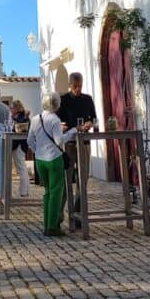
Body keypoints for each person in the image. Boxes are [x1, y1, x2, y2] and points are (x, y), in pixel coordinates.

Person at [27, 92, 78, 236]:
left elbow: (29, 141)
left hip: (40, 160)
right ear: (56, 104)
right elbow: (59, 141)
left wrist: (38, 151)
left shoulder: (35, 119)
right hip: (54, 159)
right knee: (56, 193)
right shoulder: (55, 119)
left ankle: (47, 224)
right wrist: (73, 131)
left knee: (48, 192)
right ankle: (52, 227)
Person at [57, 72, 96, 226]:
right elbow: (58, 122)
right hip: (68, 144)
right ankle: (59, 216)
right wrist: (64, 126)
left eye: (80, 86)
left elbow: (92, 118)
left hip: (84, 142)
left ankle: (79, 216)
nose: (78, 89)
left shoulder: (87, 100)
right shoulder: (63, 100)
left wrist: (89, 124)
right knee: (66, 179)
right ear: (69, 85)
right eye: (75, 87)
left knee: (83, 180)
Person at [10, 100, 31, 198]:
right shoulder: (19, 117)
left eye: (12, 107)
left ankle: (24, 191)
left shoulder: (22, 117)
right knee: (21, 168)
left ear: (16, 108)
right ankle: (24, 190)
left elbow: (19, 129)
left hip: (19, 144)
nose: (11, 109)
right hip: (18, 144)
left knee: (21, 168)